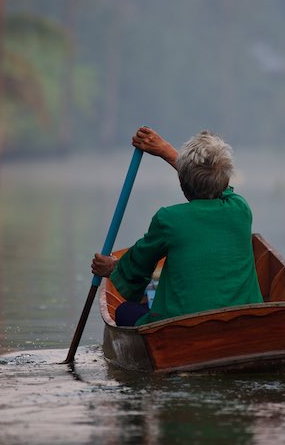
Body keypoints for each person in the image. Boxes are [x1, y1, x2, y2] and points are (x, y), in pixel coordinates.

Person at [91, 126, 263, 326]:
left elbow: (136, 266)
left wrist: (113, 267)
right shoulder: (241, 209)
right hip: (245, 321)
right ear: (225, 183)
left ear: (182, 184)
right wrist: (165, 150)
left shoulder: (169, 219)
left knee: (124, 311)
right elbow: (216, 184)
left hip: (181, 327)